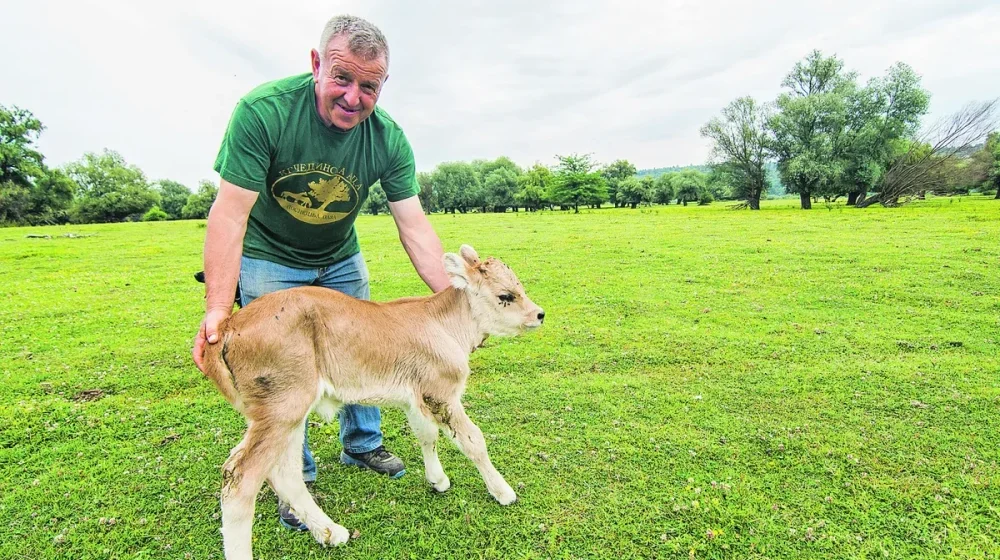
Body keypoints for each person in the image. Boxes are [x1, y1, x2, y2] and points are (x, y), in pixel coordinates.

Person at [191, 14, 451, 531]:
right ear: (316, 65)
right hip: (270, 255)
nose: (354, 96)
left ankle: (364, 445)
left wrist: (454, 305)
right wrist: (218, 307)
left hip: (339, 256)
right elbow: (230, 212)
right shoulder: (264, 112)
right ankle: (296, 478)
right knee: (290, 371)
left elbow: (414, 226)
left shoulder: (387, 139)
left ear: (383, 85)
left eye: (369, 85)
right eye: (342, 78)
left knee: (369, 346)